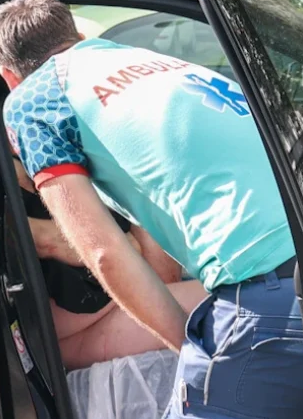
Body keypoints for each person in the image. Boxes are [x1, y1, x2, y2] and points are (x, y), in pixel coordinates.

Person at [0, 0, 303, 419]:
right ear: (75, 35)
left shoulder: (33, 100)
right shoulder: (157, 68)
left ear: (6, 76)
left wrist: (189, 347)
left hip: (263, 300)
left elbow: (102, 252)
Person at [13, 156, 207, 369]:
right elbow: (99, 253)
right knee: (221, 307)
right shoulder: (37, 150)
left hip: (93, 311)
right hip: (57, 314)